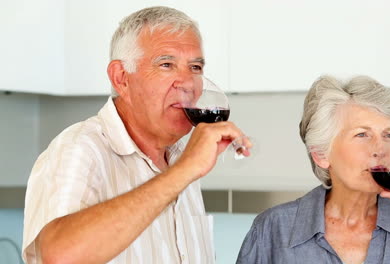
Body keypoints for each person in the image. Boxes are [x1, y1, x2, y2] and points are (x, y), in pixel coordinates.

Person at [22, 6, 248, 264]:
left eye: (195, 67)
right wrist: (184, 171)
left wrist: (184, 169)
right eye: (166, 64)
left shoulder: (180, 159)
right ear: (121, 79)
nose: (187, 82)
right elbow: (60, 256)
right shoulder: (80, 148)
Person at [236, 76, 390, 264]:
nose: (380, 148)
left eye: (389, 135)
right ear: (321, 154)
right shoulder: (274, 229)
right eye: (362, 134)